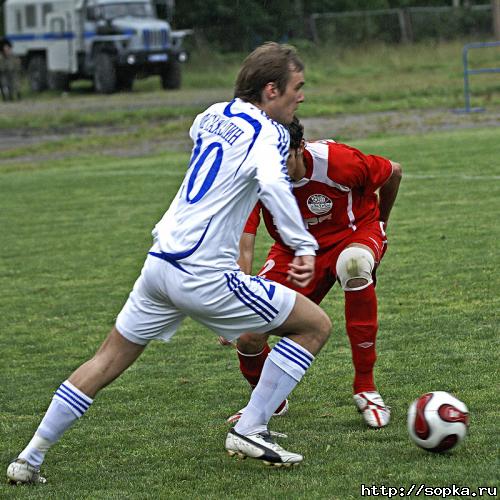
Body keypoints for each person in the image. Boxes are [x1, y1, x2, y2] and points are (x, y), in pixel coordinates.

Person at [6, 42, 332, 485]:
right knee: (314, 325)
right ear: (271, 90)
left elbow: (201, 135)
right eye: (298, 87)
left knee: (105, 360)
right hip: (204, 273)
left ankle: (29, 458)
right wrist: (303, 244)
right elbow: (274, 183)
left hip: (159, 264)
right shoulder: (270, 133)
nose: (302, 96)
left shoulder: (213, 112)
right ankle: (251, 428)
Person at [222, 116, 402, 428]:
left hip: (354, 233)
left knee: (355, 266)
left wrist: (381, 224)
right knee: (248, 335)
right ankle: (268, 402)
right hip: (295, 252)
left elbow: (393, 172)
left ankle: (365, 388)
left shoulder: (338, 162)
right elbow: (244, 241)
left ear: (301, 148)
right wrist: (238, 300)